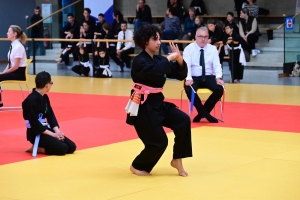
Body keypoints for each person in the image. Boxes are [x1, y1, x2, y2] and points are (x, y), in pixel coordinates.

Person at [125, 24, 192, 177]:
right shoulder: (139, 61)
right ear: (144, 41)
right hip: (142, 107)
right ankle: (137, 165)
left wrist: (179, 59)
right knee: (159, 142)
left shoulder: (160, 59)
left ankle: (177, 160)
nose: (159, 42)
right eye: (155, 39)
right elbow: (156, 70)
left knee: (183, 120)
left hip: (158, 103)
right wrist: (169, 58)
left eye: (159, 39)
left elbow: (180, 74)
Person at [22, 71, 76, 156]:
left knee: (71, 147)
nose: (51, 85)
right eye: (51, 83)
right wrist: (53, 135)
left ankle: (47, 142)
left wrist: (57, 132)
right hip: (35, 132)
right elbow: (34, 123)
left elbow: (50, 116)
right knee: (62, 149)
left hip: (46, 129)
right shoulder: (30, 101)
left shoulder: (45, 97)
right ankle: (37, 148)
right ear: (47, 85)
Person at [183, 27, 224, 123]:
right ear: (195, 37)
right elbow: (186, 66)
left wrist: (218, 77)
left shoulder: (213, 49)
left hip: (209, 76)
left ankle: (202, 114)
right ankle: (206, 115)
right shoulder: (188, 49)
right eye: (200, 36)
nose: (203, 39)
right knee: (189, 89)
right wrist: (188, 78)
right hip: (194, 77)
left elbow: (217, 65)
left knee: (219, 89)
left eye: (205, 37)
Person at [0, 25, 28, 108]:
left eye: (9, 32)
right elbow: (10, 63)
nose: (7, 33)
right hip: (14, 71)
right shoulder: (13, 45)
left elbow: (15, 67)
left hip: (19, 73)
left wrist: (3, 74)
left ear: (15, 34)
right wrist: (3, 72)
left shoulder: (18, 47)